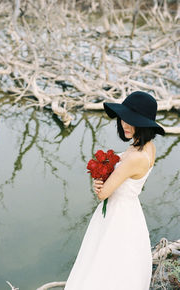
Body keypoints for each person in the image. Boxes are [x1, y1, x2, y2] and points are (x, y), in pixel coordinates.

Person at [64, 91, 165, 290]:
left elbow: (103, 194)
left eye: (131, 121)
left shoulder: (135, 158)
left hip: (117, 216)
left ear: (144, 123)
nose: (124, 124)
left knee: (105, 265)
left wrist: (99, 182)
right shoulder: (148, 147)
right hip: (130, 211)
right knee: (119, 262)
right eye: (123, 119)